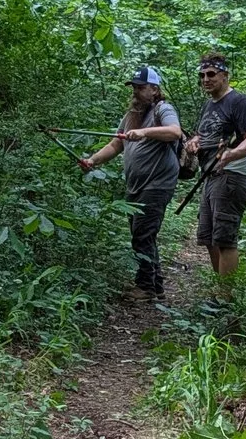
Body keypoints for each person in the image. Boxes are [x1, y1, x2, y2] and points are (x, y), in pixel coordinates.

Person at [76, 65, 184, 297]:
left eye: (141, 87)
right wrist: (93, 161)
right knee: (142, 233)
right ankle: (155, 285)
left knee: (142, 234)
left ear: (154, 89)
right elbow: (116, 144)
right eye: (134, 87)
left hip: (157, 183)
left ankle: (145, 286)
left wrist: (145, 133)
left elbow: (175, 132)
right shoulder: (132, 115)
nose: (135, 91)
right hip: (136, 185)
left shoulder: (163, 109)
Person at [183, 53, 246, 284]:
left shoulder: (240, 102)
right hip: (210, 176)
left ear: (225, 76)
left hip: (233, 175)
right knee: (208, 237)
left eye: (211, 74)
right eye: (202, 75)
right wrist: (193, 142)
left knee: (225, 239)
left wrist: (232, 154)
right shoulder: (209, 104)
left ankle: (226, 300)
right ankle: (220, 289)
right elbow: (203, 133)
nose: (205, 79)